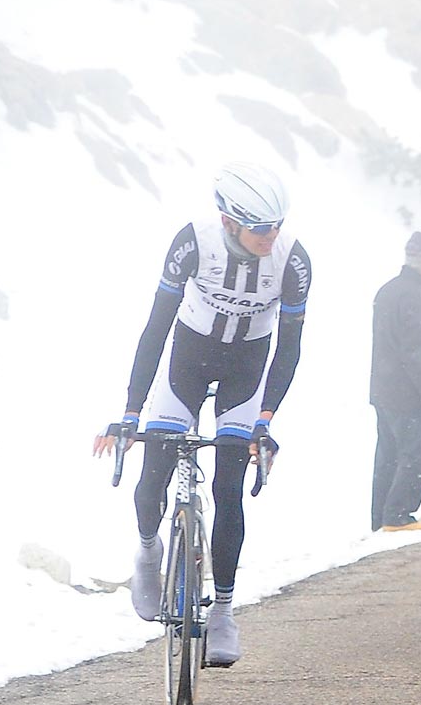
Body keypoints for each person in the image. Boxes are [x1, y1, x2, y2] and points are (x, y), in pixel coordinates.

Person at [91, 162, 312, 667]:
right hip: (186, 364)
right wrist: (131, 408)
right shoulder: (193, 242)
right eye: (260, 227)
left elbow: (290, 347)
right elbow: (155, 327)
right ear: (229, 220)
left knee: (228, 487)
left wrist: (265, 422)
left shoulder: (292, 260)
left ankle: (224, 613)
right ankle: (148, 552)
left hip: (246, 371)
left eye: (276, 225)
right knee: (154, 475)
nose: (269, 235)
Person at [369, 232, 421, 532]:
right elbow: (418, 351)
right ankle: (398, 515)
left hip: (383, 389)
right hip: (407, 392)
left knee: (388, 453)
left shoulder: (388, 291)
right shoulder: (416, 297)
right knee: (415, 454)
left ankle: (381, 517)